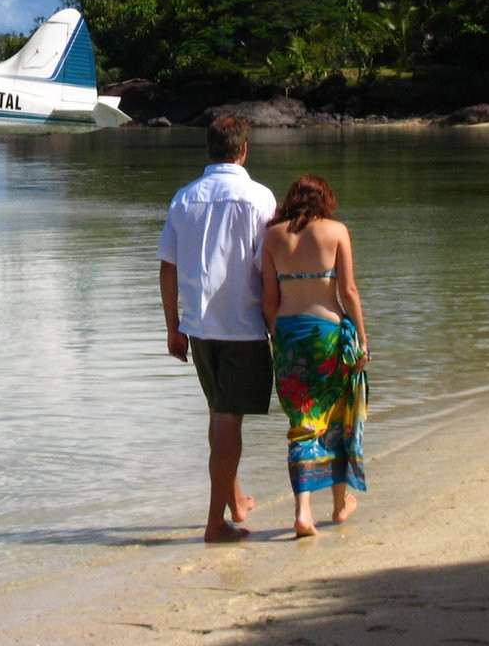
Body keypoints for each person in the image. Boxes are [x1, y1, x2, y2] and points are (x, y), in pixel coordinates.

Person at [158, 112, 277, 542]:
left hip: (200, 327)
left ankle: (234, 499)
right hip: (243, 325)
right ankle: (215, 523)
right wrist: (277, 323)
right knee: (229, 420)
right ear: (244, 149)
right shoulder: (261, 199)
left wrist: (173, 327)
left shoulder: (184, 198)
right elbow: (271, 268)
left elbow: (167, 268)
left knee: (220, 414)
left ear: (208, 149)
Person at [260, 173, 370, 539]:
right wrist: (364, 340)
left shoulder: (273, 236)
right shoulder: (337, 231)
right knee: (337, 416)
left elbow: (269, 302)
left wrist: (281, 337)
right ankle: (339, 505)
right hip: (328, 334)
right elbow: (349, 290)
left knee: (302, 423)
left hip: (290, 336)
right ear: (325, 200)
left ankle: (303, 513)